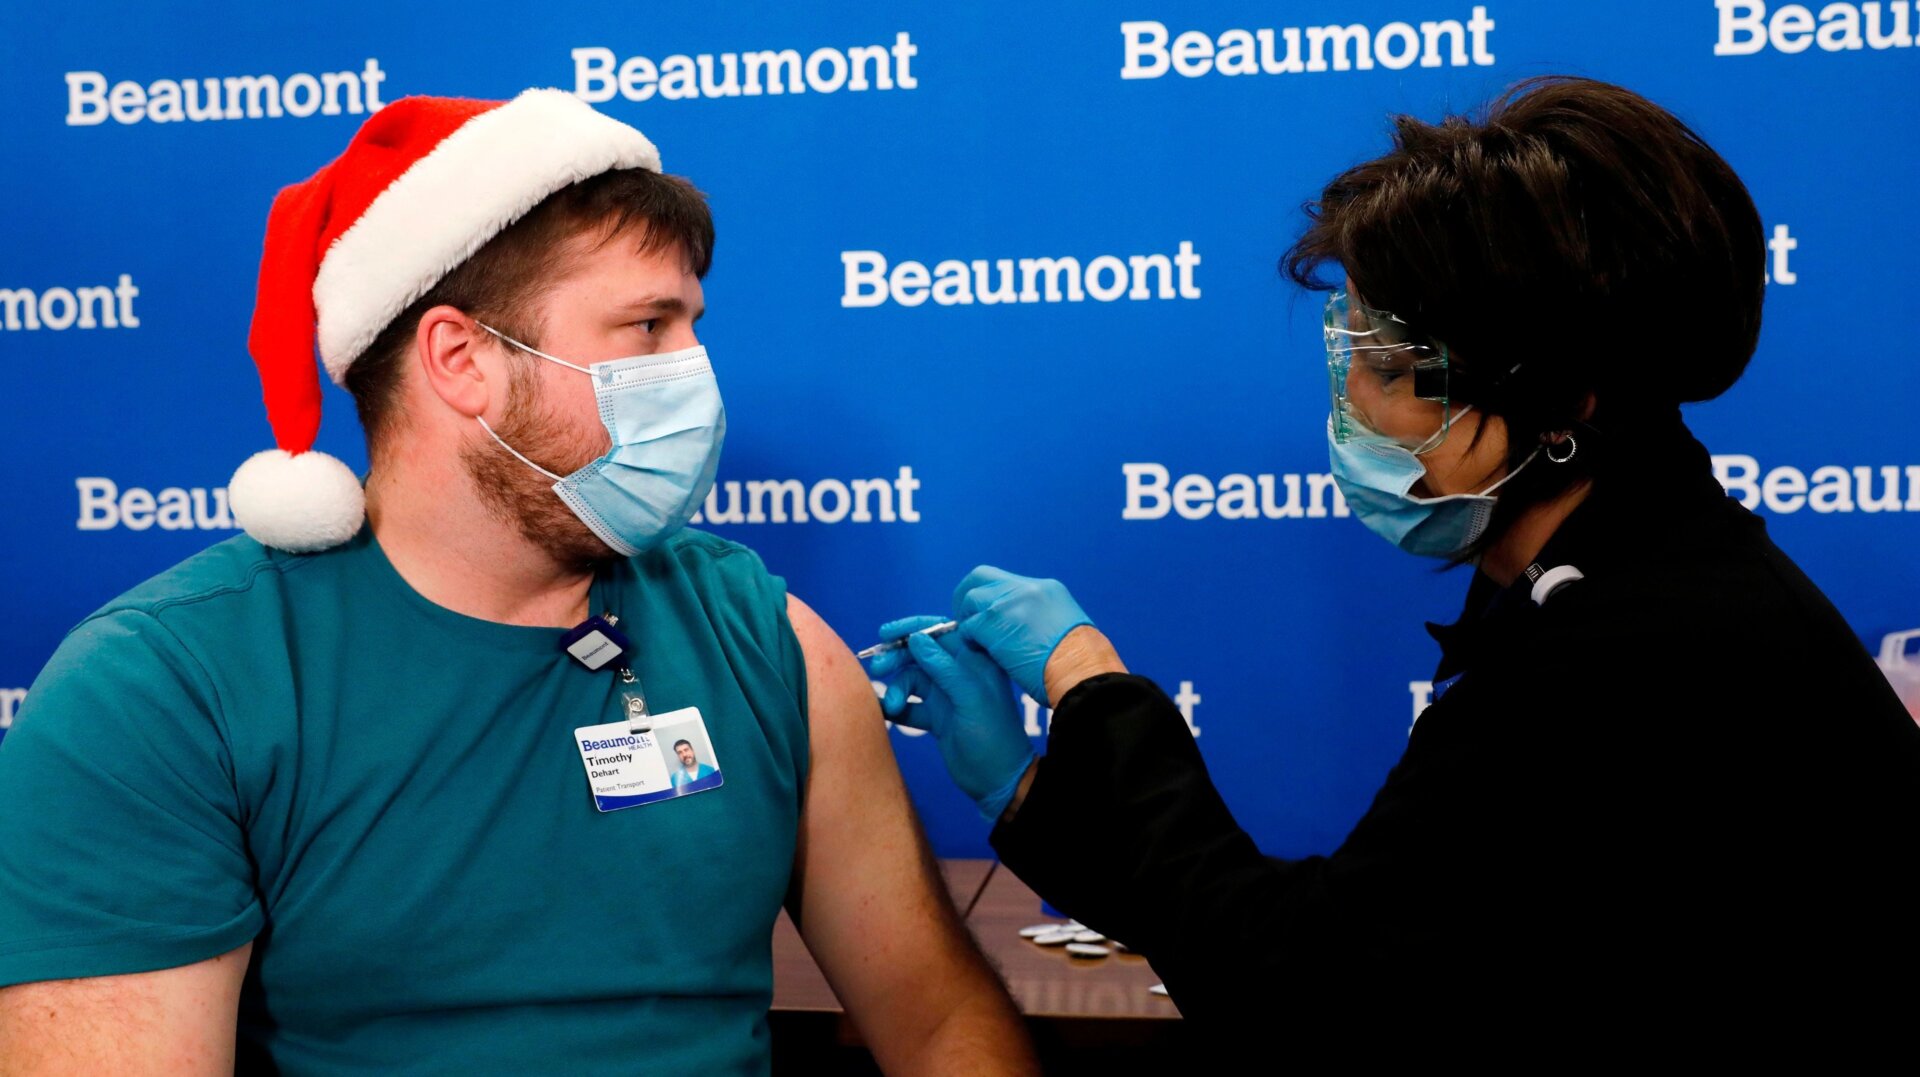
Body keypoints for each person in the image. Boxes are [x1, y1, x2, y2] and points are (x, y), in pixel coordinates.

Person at [0, 90, 1035, 1074]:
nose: (696, 376)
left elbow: (939, 1019)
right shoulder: (165, 692)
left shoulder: (762, 636)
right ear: (460, 359)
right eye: (648, 329)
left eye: (693, 328)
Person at [870, 77, 1920, 1036]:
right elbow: (1358, 930)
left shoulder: (1635, 650)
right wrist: (1028, 792)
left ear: (1560, 402)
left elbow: (1310, 988)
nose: (1353, 401)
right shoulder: (1626, 582)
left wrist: (1089, 684)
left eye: (1388, 363)